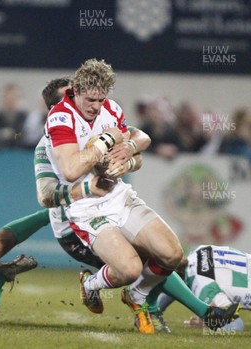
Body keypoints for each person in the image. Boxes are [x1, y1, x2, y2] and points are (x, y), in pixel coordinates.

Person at [43, 59, 237, 334]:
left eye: (101, 99)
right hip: (87, 208)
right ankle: (90, 285)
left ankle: (136, 296)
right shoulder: (61, 117)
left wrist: (129, 151)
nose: (96, 106)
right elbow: (71, 169)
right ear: (76, 90)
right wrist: (107, 141)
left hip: (118, 196)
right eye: (90, 99)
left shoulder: (110, 109)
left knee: (172, 254)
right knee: (130, 269)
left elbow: (141, 140)